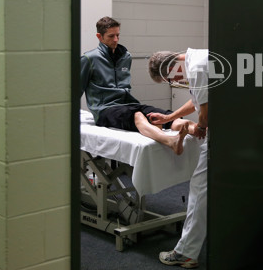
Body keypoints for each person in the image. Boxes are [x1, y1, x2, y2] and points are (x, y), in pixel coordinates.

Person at [80, 16, 194, 155]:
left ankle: (201, 131)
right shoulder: (89, 59)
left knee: (164, 115)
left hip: (128, 104)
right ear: (100, 36)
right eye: (111, 36)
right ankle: (171, 141)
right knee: (137, 115)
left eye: (118, 35)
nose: (116, 39)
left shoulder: (125, 57)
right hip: (105, 109)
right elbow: (76, 91)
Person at [147, 49, 208, 269]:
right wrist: (170, 117)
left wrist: (201, 126)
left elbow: (205, 111)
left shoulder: (198, 67)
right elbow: (198, 100)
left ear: (171, 67)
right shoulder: (200, 58)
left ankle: (186, 253)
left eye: (170, 78)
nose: (175, 82)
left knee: (200, 191)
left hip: (227, 130)